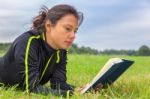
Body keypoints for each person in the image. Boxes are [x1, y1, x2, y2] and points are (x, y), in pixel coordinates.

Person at [0, 4, 83, 97]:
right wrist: (70, 94)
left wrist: (84, 90)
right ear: (48, 26)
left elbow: (58, 84)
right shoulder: (28, 42)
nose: (73, 35)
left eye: (75, 31)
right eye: (68, 28)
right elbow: (32, 89)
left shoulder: (61, 51)